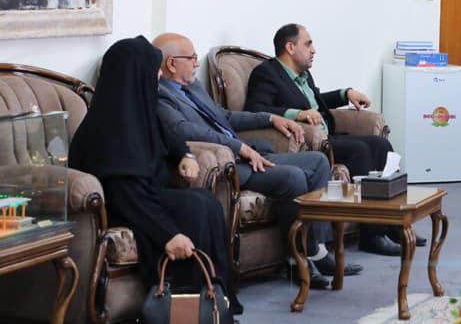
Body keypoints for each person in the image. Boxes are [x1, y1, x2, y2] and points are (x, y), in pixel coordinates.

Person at [153, 33, 363, 289]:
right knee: (292, 177)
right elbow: (186, 131)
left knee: (318, 162)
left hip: (250, 152)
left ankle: (315, 249)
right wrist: (239, 148)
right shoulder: (161, 96)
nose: (197, 63)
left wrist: (270, 119)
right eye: (192, 58)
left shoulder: (193, 87)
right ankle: (296, 260)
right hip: (229, 164)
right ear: (172, 63)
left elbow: (225, 116)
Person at [68, 37, 242, 315]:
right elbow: (124, 195)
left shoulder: (136, 110)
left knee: (206, 203)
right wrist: (168, 235)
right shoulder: (107, 128)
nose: (159, 76)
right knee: (195, 210)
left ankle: (215, 303)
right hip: (123, 207)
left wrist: (185, 155)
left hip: (146, 196)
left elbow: (168, 136)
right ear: (135, 75)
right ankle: (184, 311)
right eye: (153, 70)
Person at [246, 23, 425, 256]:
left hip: (329, 136)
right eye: (308, 44)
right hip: (309, 144)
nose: (314, 50)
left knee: (381, 144)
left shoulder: (303, 75)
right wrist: (297, 114)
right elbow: (255, 109)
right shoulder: (266, 73)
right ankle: (372, 235)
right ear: (290, 47)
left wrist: (345, 94)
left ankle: (393, 224)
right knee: (360, 150)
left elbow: (316, 101)